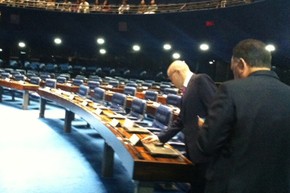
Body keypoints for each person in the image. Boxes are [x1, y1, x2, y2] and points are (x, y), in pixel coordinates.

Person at [196, 39, 290, 193]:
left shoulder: (230, 90)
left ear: (241, 64)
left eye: (233, 68)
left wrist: (204, 128)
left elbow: (206, 145)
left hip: (231, 186)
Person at [142, 60, 217, 193]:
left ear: (177, 73)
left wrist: (206, 124)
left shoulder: (200, 80)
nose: (171, 82)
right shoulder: (188, 89)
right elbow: (181, 120)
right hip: (193, 149)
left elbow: (217, 110)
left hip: (204, 149)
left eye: (170, 78)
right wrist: (160, 138)